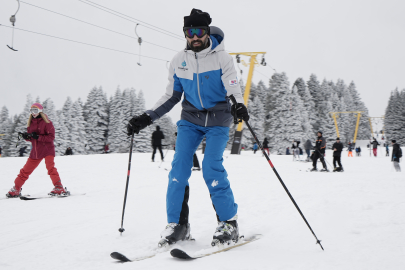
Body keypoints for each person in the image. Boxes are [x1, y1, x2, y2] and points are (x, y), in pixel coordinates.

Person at [126, 9, 246, 247]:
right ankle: (178, 225)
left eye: (199, 32)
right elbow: (171, 96)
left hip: (218, 119)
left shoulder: (222, 58)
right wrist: (147, 117)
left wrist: (238, 105)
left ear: (207, 32)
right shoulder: (179, 60)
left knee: (211, 167)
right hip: (190, 119)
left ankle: (228, 224)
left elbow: (232, 85)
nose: (195, 37)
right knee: (178, 168)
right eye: (189, 32)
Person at [6, 103, 67, 198]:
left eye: (36, 111)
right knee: (25, 171)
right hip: (36, 151)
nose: (33, 113)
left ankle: (59, 187)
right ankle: (16, 188)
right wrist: (27, 137)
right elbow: (32, 138)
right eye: (32, 111)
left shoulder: (47, 122)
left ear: (40, 111)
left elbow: (51, 137)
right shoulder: (30, 123)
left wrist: (38, 137)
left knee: (50, 169)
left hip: (47, 150)